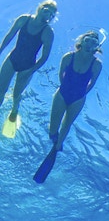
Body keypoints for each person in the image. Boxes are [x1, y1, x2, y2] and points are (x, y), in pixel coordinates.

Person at [33, 29, 104, 183]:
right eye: (88, 40)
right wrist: (64, 89)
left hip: (78, 98)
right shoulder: (68, 57)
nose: (90, 43)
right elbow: (61, 74)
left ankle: (57, 147)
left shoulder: (97, 64)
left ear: (96, 47)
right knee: (53, 129)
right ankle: (54, 139)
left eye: (94, 42)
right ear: (81, 41)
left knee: (66, 126)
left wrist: (80, 94)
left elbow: (92, 84)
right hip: (62, 93)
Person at [0, 0, 58, 123]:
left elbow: (44, 57)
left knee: (16, 95)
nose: (47, 12)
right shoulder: (24, 19)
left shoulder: (48, 32)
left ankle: (15, 109)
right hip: (12, 59)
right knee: (1, 89)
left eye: (51, 12)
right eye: (46, 8)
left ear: (52, 17)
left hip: (28, 66)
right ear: (40, 7)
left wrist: (31, 71)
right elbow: (9, 36)